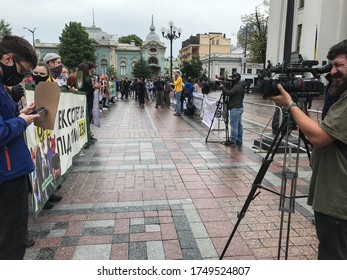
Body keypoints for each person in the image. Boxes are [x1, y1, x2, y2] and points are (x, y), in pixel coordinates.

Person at [271, 39, 347, 260]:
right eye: (331, 66)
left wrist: (290, 105)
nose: (332, 71)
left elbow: (319, 137)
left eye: (339, 65)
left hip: (338, 200)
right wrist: (298, 106)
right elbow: (316, 135)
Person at [0, 35, 40, 259]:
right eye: (23, 70)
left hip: (11, 169)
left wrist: (18, 114)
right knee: (11, 241)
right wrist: (20, 121)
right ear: (8, 58)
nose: (23, 76)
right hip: (7, 174)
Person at [219, 73, 246, 146]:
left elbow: (229, 93)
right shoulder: (239, 85)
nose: (231, 79)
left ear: (236, 78)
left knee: (234, 125)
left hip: (235, 108)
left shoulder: (238, 87)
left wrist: (223, 88)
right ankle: (239, 139)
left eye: (232, 78)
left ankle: (233, 141)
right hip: (239, 107)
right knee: (239, 125)